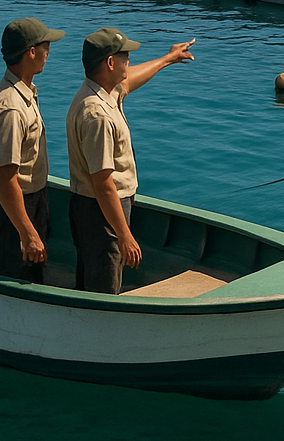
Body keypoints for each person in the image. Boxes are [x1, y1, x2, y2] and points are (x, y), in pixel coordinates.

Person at [66, 27, 195, 293]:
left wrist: (168, 58)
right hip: (100, 212)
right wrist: (124, 235)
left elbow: (128, 81)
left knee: (96, 275)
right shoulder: (97, 115)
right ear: (110, 62)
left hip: (99, 207)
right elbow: (102, 182)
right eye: (125, 56)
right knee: (103, 283)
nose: (129, 61)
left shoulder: (102, 92)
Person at [0, 17, 65, 281]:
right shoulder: (11, 108)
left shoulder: (23, 93)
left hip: (28, 201)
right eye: (45, 46)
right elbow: (5, 178)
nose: (48, 52)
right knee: (12, 278)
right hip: (12, 210)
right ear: (31, 52)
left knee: (31, 275)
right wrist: (27, 232)